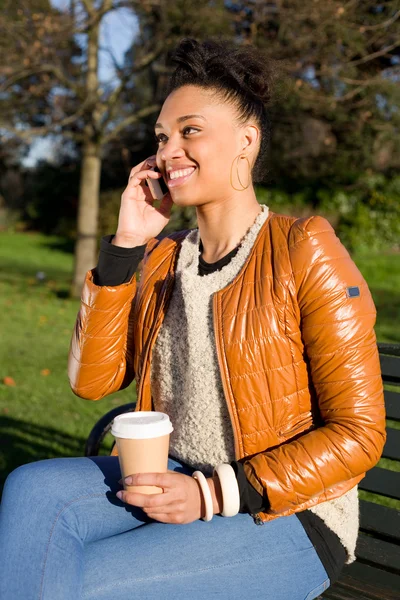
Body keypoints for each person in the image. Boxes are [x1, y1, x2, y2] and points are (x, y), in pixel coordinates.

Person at [0, 38, 386, 600]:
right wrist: (126, 245)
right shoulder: (160, 259)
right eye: (161, 136)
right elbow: (91, 383)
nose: (168, 151)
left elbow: (358, 433)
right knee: (32, 493)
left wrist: (213, 494)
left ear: (246, 143)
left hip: (286, 512)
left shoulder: (304, 249)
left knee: (76, 582)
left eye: (190, 131)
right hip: (173, 474)